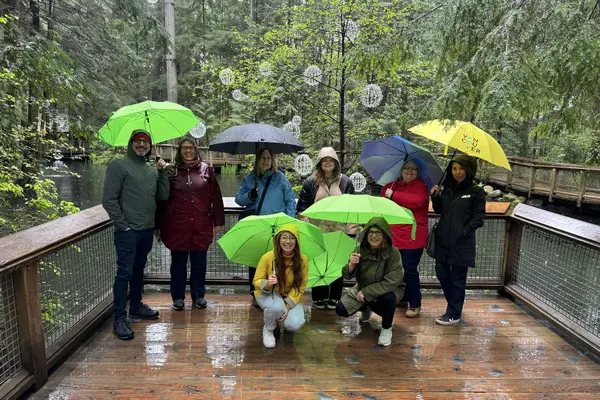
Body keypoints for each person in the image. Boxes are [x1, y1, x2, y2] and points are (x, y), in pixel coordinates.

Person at [102, 129, 170, 340]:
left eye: (145, 142)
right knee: (124, 273)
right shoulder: (118, 166)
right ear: (131, 144)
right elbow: (109, 200)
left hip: (146, 230)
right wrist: (123, 225)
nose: (141, 145)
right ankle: (119, 319)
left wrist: (163, 172)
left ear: (150, 146)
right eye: (137, 141)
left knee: (139, 269)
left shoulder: (150, 170)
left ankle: (137, 306)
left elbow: (163, 195)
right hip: (127, 232)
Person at [156, 138, 225, 311]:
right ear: (179, 151)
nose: (188, 151)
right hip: (177, 225)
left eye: (191, 147)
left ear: (196, 149)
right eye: (184, 148)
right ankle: (178, 298)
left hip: (201, 225)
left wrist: (218, 221)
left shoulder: (206, 170)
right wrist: (157, 224)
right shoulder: (172, 171)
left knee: (199, 263)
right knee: (178, 264)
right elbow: (161, 199)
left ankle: (199, 295)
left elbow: (216, 198)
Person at [235, 148, 296, 307]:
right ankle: (255, 292)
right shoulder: (250, 178)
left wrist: (290, 224)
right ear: (257, 160)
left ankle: (278, 291)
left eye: (268, 158)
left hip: (277, 227)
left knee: (277, 259)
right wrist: (250, 196)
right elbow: (238, 200)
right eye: (262, 158)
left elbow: (290, 200)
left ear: (272, 160)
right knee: (255, 260)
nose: (265, 161)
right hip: (257, 227)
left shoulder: (281, 178)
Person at [296, 147, 355, 310]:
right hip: (317, 230)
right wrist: (306, 226)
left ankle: (335, 297)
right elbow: (302, 206)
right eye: (324, 160)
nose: (327, 163)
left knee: (337, 263)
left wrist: (351, 231)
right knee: (318, 263)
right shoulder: (310, 181)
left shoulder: (346, 182)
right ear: (320, 163)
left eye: (331, 160)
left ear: (335, 162)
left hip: (339, 231)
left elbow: (352, 207)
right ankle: (319, 297)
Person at [430, 155, 486, 325]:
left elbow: (479, 218)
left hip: (462, 243)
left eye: (461, 168)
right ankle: (454, 305)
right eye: (454, 168)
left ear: (468, 170)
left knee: (458, 279)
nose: (458, 172)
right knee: (442, 273)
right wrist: (435, 197)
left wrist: (464, 232)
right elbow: (440, 211)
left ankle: (454, 313)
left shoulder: (476, 191)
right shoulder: (446, 188)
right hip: (443, 240)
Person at [336, 217, 404, 347]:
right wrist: (351, 265)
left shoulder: (393, 253)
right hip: (363, 287)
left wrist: (367, 293)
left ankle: (386, 328)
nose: (374, 236)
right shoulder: (359, 249)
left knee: (387, 300)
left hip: (389, 289)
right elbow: (347, 275)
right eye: (371, 232)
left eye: (378, 233)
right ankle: (366, 308)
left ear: (384, 235)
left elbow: (393, 281)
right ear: (366, 234)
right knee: (341, 309)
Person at [381, 159, 429, 318]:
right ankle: (402, 297)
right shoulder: (390, 186)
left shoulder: (420, 187)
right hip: (393, 235)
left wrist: (394, 195)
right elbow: (381, 206)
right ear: (400, 170)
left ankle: (415, 303)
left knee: (409, 269)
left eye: (413, 169)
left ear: (418, 172)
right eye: (406, 168)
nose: (410, 171)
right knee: (394, 269)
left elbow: (418, 202)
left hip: (413, 236)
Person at [253, 224, 308, 348]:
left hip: (288, 295)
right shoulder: (268, 257)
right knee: (276, 307)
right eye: (284, 237)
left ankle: (283, 320)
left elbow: (300, 286)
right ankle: (268, 329)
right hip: (268, 293)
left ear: (297, 241)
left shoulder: (302, 260)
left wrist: (287, 306)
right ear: (278, 240)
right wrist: (267, 283)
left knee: (294, 324)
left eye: (291, 238)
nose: (287, 241)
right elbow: (256, 280)